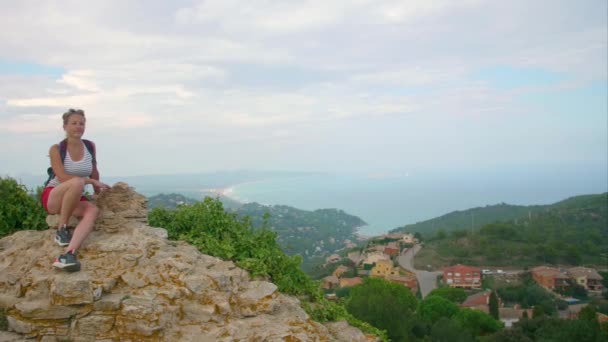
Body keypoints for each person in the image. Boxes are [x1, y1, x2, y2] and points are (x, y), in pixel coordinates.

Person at [41, 108, 110, 272]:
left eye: (81, 123)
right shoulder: (56, 149)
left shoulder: (89, 146)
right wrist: (89, 181)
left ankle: (68, 254)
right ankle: (61, 229)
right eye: (74, 123)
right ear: (65, 126)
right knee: (77, 182)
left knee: (93, 210)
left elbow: (94, 170)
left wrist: (97, 193)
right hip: (54, 195)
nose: (78, 126)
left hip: (75, 196)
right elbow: (63, 177)